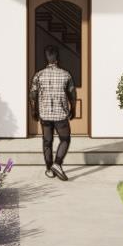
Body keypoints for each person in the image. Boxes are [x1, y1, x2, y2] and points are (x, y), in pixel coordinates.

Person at [30, 47, 76, 181]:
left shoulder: (39, 75)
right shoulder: (66, 75)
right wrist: (73, 109)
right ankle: (57, 163)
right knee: (65, 139)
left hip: (45, 115)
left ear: (47, 58)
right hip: (61, 115)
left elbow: (33, 95)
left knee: (47, 142)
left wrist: (33, 111)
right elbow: (72, 95)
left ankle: (50, 169)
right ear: (57, 58)